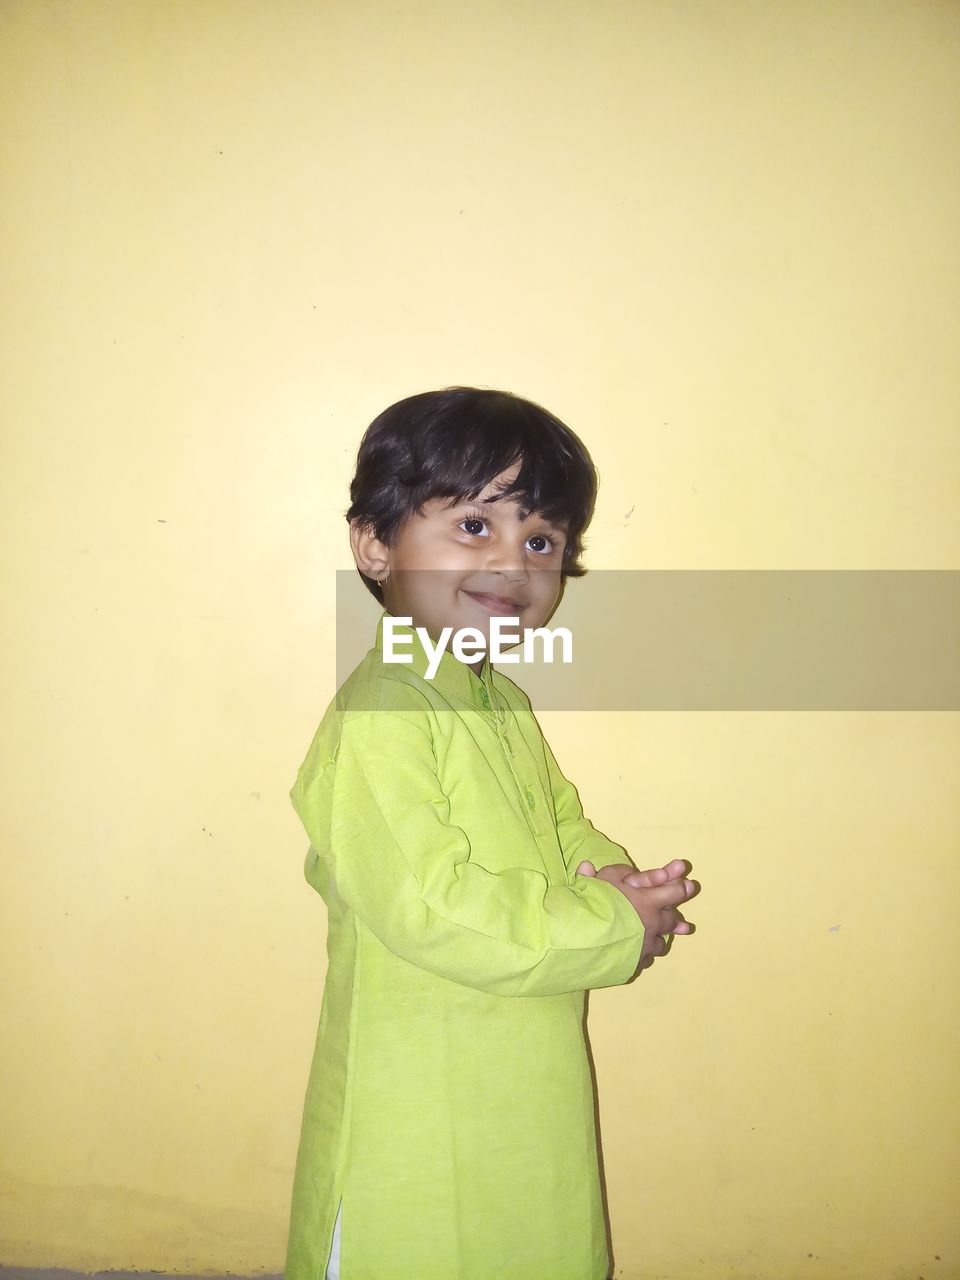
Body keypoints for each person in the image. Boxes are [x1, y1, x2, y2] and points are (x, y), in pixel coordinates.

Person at [284, 387, 699, 1280]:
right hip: (418, 1080)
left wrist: (620, 882)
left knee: (526, 1229)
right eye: (475, 526)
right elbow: (430, 905)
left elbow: (558, 822)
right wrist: (610, 926)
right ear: (374, 545)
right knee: (426, 1238)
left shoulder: (494, 696)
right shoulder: (384, 711)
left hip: (523, 1043)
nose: (514, 561)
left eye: (541, 540)